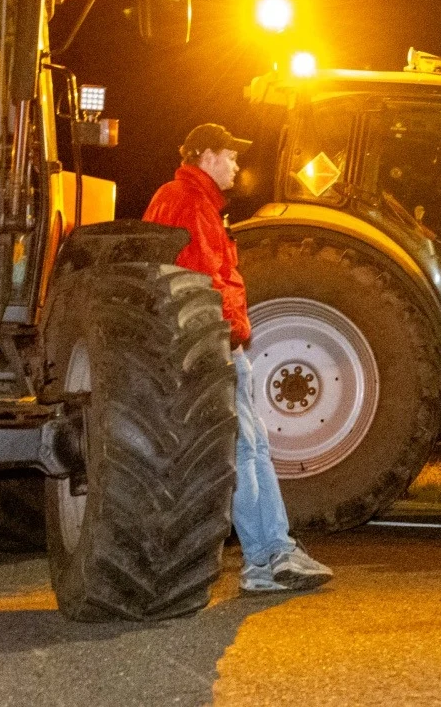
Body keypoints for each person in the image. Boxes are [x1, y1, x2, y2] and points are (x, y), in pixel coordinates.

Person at [143, 122, 332, 594]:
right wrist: (231, 335)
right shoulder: (192, 202)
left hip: (202, 341)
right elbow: (208, 277)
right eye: (230, 156)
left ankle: (272, 550)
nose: (236, 165)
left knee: (251, 447)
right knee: (247, 448)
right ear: (206, 156)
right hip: (215, 342)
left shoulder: (175, 197)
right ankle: (267, 557)